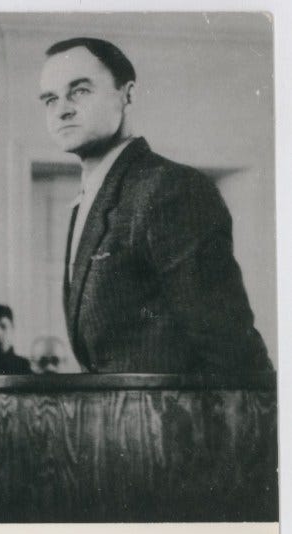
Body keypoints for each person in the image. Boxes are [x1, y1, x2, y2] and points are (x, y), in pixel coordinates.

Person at [38, 37, 271, 373]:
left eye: (80, 91)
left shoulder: (171, 189)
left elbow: (230, 347)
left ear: (127, 93)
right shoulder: (89, 199)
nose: (62, 109)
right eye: (50, 99)